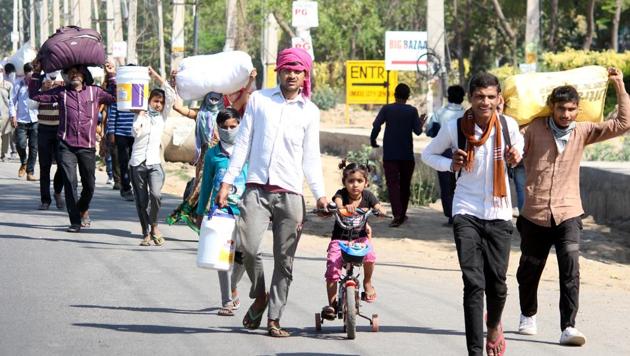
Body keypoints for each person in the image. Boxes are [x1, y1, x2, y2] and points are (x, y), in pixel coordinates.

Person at [216, 47, 327, 337]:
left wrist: (321, 194)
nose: (292, 74)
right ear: (278, 71)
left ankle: (274, 318)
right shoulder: (259, 100)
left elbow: (311, 157)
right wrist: (228, 182)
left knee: (284, 260)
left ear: (305, 76)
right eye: (287, 69)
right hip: (256, 188)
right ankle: (260, 295)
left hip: (291, 194)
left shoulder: (310, 111)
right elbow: (242, 143)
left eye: (298, 70)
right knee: (248, 247)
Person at [515, 68, 629, 346]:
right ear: (551, 108)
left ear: (578, 110)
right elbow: (512, 141)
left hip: (568, 213)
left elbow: (623, 123)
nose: (565, 115)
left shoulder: (583, 131)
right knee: (529, 269)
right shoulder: (531, 130)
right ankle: (528, 314)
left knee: (571, 269)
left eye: (570, 109)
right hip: (535, 213)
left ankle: (568, 326)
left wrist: (619, 85)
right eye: (560, 109)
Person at [422, 72, 523, 356]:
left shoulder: (508, 126)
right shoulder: (455, 128)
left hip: (500, 212)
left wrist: (516, 156)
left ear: (499, 98)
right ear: (471, 98)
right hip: (465, 210)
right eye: (480, 97)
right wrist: (450, 164)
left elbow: (520, 150)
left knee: (498, 284)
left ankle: (493, 326)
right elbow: (429, 154)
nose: (485, 102)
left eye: (491, 97)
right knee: (474, 284)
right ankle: (475, 352)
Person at [29, 59, 117, 232]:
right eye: (70, 72)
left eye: (78, 72)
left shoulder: (95, 92)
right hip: (66, 145)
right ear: (67, 77)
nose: (74, 74)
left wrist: (112, 74)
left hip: (87, 145)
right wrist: (36, 73)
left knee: (90, 185)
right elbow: (35, 95)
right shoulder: (61, 93)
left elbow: (115, 97)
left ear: (84, 76)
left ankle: (82, 208)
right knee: (70, 183)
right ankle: (75, 221)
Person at [196, 107, 257, 317]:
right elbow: (205, 185)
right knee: (222, 256)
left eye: (233, 126)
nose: (229, 130)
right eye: (224, 127)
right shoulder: (213, 154)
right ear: (218, 128)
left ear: (241, 125)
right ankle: (227, 300)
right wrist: (200, 210)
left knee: (244, 253)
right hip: (221, 211)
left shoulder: (250, 151)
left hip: (247, 210)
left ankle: (233, 285)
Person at [320, 161, 386, 320]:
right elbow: (337, 202)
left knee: (370, 256)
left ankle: (368, 283)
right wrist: (341, 207)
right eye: (350, 181)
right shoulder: (341, 194)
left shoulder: (368, 196)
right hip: (340, 240)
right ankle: (332, 304)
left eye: (359, 181)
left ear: (366, 182)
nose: (355, 185)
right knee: (332, 269)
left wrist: (380, 211)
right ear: (344, 182)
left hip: (360, 239)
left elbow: (378, 206)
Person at [166, 85, 224, 231]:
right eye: (211, 96)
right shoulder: (200, 114)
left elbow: (243, 100)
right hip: (205, 156)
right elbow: (179, 108)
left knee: (218, 187)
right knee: (201, 187)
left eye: (217, 96)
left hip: (222, 156)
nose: (214, 99)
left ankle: (210, 220)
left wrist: (250, 80)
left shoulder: (226, 115)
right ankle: (195, 216)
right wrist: (174, 84)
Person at [129, 67, 174, 246]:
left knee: (155, 195)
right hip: (137, 163)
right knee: (141, 200)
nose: (158, 104)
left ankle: (154, 225)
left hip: (155, 163)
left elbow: (171, 93)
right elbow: (135, 133)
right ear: (148, 101)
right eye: (155, 101)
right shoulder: (141, 115)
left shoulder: (162, 117)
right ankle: (145, 232)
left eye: (160, 102)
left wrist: (155, 75)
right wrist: (140, 115)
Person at [370, 83, 424, 227]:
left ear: (395, 94)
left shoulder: (387, 109)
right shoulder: (412, 111)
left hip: (390, 155)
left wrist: (373, 139)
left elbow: (376, 125)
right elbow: (418, 131)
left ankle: (398, 214)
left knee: (393, 185)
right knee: (405, 185)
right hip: (407, 155)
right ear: (408, 97)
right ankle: (402, 214)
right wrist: (421, 122)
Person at [425, 85, 466, 225]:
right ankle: (459, 214)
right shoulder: (467, 114)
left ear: (448, 96)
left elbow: (431, 132)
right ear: (463, 97)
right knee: (460, 185)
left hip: (442, 153)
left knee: (446, 186)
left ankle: (450, 215)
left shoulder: (439, 113)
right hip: (463, 154)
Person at [106, 62, 137, 201]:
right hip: (121, 133)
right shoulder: (120, 93)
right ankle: (126, 188)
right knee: (123, 161)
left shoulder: (139, 93)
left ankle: (136, 186)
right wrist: (111, 132)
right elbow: (112, 113)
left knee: (135, 161)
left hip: (136, 133)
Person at [36, 72, 65, 210]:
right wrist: (42, 89)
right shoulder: (42, 79)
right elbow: (30, 103)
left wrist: (60, 87)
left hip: (60, 130)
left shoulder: (64, 79)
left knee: (63, 164)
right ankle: (45, 200)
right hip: (44, 129)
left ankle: (57, 192)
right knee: (44, 166)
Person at [11, 63, 39, 181]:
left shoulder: (38, 84)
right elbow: (12, 101)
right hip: (21, 120)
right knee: (20, 145)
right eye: (29, 76)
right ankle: (24, 162)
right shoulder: (18, 84)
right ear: (25, 74)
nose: (30, 79)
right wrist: (13, 116)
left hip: (35, 120)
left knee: (34, 147)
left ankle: (30, 172)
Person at [0, 64, 16, 162]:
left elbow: (12, 102)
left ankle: (3, 154)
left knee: (5, 137)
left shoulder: (8, 85)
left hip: (6, 116)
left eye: (1, 70)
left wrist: (13, 115)